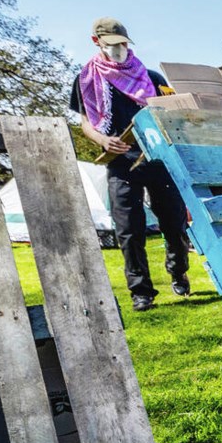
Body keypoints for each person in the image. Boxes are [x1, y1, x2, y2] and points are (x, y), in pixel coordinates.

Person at [70, 17, 191, 312]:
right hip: (120, 162)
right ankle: (141, 291)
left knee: (174, 222)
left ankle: (178, 271)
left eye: (123, 43)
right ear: (96, 41)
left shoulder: (151, 77)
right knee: (129, 229)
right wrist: (102, 139)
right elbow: (85, 122)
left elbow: (172, 114)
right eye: (113, 44)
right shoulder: (87, 81)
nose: (120, 48)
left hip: (157, 160)